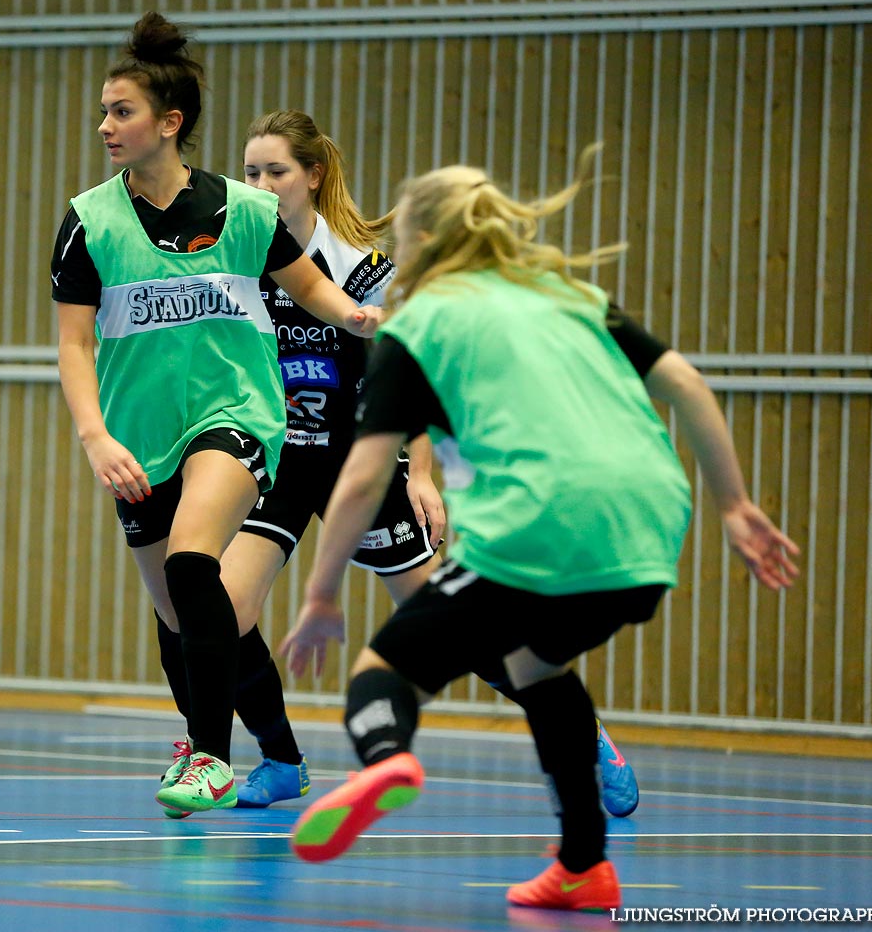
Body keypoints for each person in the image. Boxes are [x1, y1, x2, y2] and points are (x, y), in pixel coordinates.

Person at [280, 147, 800, 912]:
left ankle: (386, 758)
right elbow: (685, 382)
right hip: (651, 526)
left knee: (382, 671)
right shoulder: (568, 293)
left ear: (421, 243)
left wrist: (321, 595)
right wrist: (735, 505)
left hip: (535, 523)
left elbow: (362, 477)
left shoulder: (419, 323)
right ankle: (584, 865)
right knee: (534, 666)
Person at [218, 110, 642, 818]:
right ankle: (281, 759)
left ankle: (584, 732)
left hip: (366, 458)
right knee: (221, 610)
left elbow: (410, 373)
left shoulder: (364, 268)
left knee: (450, 624)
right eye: (250, 171)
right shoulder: (238, 258)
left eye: (276, 171)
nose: (259, 184)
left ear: (313, 177)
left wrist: (421, 473)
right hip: (284, 457)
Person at [49, 13, 382, 817]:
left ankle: (209, 756)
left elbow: (312, 290)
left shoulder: (246, 212)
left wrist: (362, 318)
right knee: (178, 615)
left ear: (171, 123)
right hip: (137, 435)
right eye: (103, 112)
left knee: (196, 568)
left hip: (236, 418)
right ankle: (262, 750)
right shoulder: (88, 221)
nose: (105, 126)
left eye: (120, 111)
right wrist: (95, 435)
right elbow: (73, 344)